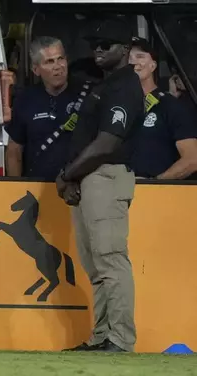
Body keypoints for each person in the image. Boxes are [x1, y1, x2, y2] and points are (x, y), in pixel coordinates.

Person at [56, 18, 145, 353]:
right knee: (96, 266)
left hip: (107, 175)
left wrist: (68, 174)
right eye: (95, 44)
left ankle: (120, 339)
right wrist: (73, 175)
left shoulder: (125, 85)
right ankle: (102, 336)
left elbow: (108, 141)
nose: (98, 50)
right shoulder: (103, 84)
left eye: (105, 44)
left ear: (124, 49)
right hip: (91, 178)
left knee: (111, 260)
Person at [5, 36, 88, 181]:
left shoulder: (88, 94)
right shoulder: (25, 99)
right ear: (36, 69)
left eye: (60, 59)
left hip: (79, 186)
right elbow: (14, 151)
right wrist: (16, 187)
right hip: (37, 188)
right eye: (49, 62)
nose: (58, 66)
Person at [129, 37, 197, 180]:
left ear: (153, 66)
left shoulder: (170, 105)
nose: (132, 62)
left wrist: (154, 184)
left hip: (157, 196)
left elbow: (192, 160)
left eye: (140, 56)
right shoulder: (116, 106)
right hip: (116, 195)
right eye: (128, 57)